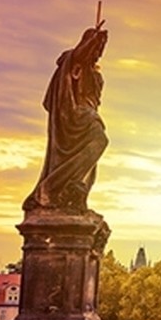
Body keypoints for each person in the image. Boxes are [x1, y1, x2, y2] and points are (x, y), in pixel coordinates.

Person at [24, 22, 109, 213]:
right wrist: (93, 38)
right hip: (74, 113)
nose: (99, 52)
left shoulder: (96, 72)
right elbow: (79, 54)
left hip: (89, 113)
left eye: (101, 49)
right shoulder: (74, 61)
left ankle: (73, 187)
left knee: (96, 150)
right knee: (100, 140)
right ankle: (54, 186)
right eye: (97, 48)